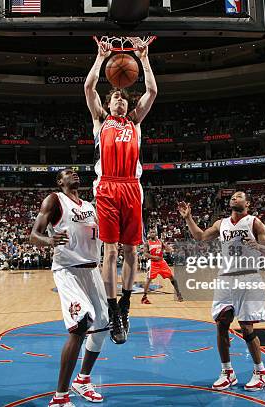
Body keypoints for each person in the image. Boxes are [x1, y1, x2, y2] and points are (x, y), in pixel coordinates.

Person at [84, 37, 157, 344]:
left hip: (131, 187)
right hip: (107, 186)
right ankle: (112, 310)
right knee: (110, 250)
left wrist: (143, 58)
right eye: (115, 98)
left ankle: (125, 305)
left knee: (130, 250)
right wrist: (101, 58)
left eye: (124, 100)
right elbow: (89, 89)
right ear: (108, 102)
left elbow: (152, 91)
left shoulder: (135, 122)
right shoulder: (100, 121)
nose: (120, 102)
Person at [178, 191, 265, 391]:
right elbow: (200, 236)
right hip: (226, 278)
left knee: (247, 328)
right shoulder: (221, 223)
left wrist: (258, 245)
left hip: (248, 277)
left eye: (239, 196)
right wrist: (188, 218)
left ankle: (261, 372)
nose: (234, 198)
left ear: (247, 203)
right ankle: (227, 372)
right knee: (221, 324)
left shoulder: (254, 222)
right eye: (232, 196)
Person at [30, 169, 108, 407]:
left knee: (103, 324)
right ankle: (60, 397)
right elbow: (34, 235)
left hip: (92, 269)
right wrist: (48, 240)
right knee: (80, 324)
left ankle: (82, 380)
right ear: (59, 181)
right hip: (68, 269)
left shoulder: (89, 206)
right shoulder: (54, 199)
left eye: (75, 172)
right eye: (67, 173)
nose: (73, 174)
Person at [141, 230, 183, 304]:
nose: (152, 233)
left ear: (156, 233)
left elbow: (167, 249)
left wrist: (171, 249)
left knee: (172, 277)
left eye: (154, 232)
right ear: (149, 234)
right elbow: (145, 254)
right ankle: (144, 297)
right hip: (153, 263)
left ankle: (178, 293)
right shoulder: (147, 243)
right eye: (151, 232)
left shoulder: (160, 241)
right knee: (149, 279)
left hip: (162, 262)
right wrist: (154, 257)